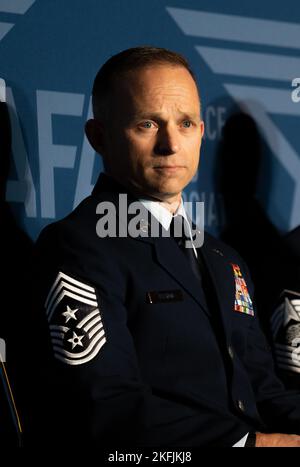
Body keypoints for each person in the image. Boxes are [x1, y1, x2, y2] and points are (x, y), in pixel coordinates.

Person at [31, 46, 300, 447]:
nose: (171, 144)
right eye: (147, 124)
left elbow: (265, 391)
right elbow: (107, 406)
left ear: (202, 133)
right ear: (98, 137)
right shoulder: (80, 247)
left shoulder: (224, 260)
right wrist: (254, 444)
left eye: (186, 123)